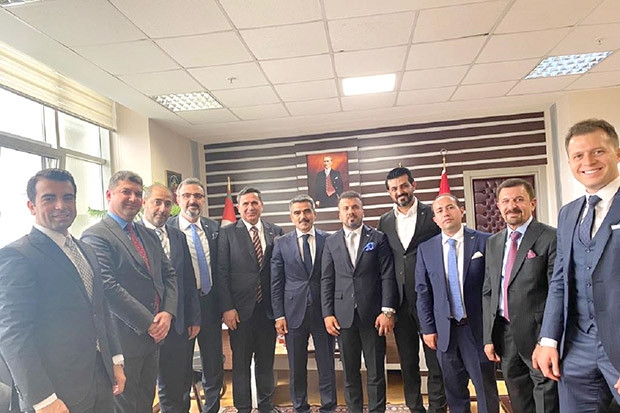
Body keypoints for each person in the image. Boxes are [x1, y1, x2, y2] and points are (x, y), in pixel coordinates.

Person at [0, 168, 125, 413]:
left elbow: (100, 309)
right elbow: (13, 333)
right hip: (56, 392)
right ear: (31, 206)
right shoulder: (18, 255)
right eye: (49, 198)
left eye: (68, 197)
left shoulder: (85, 250)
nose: (61, 205)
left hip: (100, 380)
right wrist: (42, 399)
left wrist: (115, 360)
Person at [533, 119, 620, 412]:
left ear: (617, 153)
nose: (588, 162)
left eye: (598, 152)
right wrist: (548, 339)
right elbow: (560, 280)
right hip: (576, 345)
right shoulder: (568, 213)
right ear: (570, 162)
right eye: (578, 156)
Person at [82, 170, 178, 413]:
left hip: (153, 339)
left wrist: (167, 313)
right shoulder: (96, 235)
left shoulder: (148, 234)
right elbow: (107, 287)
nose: (133, 198)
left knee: (145, 402)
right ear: (109, 195)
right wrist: (149, 323)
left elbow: (168, 275)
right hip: (123, 340)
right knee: (125, 407)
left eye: (137, 193)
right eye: (126, 192)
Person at [415, 194, 499, 413]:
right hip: (445, 332)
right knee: (454, 392)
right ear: (435, 219)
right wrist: (427, 328)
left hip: (477, 329)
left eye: (450, 207)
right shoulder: (426, 249)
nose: (446, 213)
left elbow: (495, 286)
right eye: (440, 210)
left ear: (461, 210)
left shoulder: (485, 241)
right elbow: (423, 292)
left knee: (485, 389)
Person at [482, 178, 558, 413]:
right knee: (518, 399)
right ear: (498, 206)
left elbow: (557, 292)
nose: (511, 206)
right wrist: (488, 337)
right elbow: (489, 292)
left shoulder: (550, 237)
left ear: (532, 203)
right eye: (505, 201)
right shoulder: (493, 242)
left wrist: (546, 339)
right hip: (505, 335)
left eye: (518, 199)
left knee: (546, 400)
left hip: (538, 335)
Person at [377, 167, 447, 413]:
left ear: (413, 185)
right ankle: (415, 408)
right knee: (408, 363)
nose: (400, 191)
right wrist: (387, 305)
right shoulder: (385, 221)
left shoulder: (432, 214)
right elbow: (386, 263)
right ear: (389, 192)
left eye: (404, 186)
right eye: (394, 188)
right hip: (400, 302)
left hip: (430, 300)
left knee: (435, 361)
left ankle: (438, 408)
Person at [321, 190, 398, 413]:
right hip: (343, 317)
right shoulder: (330, 242)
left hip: (374, 316)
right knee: (350, 373)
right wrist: (327, 313)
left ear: (362, 211)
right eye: (345, 208)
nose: (351, 212)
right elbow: (327, 279)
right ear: (339, 214)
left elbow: (387, 275)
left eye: (355, 207)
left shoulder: (378, 238)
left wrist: (387, 311)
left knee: (376, 373)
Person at [217, 187, 284, 413]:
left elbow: (279, 272)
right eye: (245, 204)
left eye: (254, 203)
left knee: (266, 362)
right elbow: (222, 273)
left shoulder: (276, 231)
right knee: (241, 364)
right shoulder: (227, 233)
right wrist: (227, 308)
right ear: (238, 208)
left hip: (267, 310)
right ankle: (243, 407)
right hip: (239, 311)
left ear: (262, 205)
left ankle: (266, 406)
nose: (250, 207)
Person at [271, 195, 337, 413]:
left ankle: (328, 406)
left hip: (324, 312)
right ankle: (300, 407)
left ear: (314, 214)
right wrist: (279, 315)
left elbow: (335, 277)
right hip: (293, 313)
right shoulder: (281, 243)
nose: (303, 216)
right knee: (296, 365)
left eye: (307, 211)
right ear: (291, 217)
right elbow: (276, 282)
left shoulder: (329, 240)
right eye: (297, 213)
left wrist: (332, 310)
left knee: (326, 363)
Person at [141, 184, 201, 413]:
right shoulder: (133, 235)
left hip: (177, 324)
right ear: (144, 203)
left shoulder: (178, 236)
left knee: (179, 384)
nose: (162, 208)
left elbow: (188, 279)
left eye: (167, 204)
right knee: (149, 390)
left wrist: (193, 317)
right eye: (157, 202)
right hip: (147, 326)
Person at [168, 178, 223, 413]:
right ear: (177, 199)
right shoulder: (168, 229)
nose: (193, 200)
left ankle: (212, 408)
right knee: (181, 367)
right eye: (187, 196)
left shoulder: (214, 228)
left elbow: (221, 269)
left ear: (203, 200)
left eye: (198, 196)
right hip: (181, 308)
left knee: (213, 364)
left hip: (210, 303)